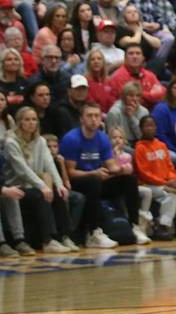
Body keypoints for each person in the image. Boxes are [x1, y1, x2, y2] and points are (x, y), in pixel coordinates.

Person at [60, 102, 149, 246]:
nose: (94, 119)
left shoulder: (102, 138)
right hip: (77, 182)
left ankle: (135, 226)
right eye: (89, 116)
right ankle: (92, 233)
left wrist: (121, 169)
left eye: (96, 116)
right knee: (94, 181)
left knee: (129, 180)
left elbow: (111, 165)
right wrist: (93, 173)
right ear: (81, 119)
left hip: (97, 180)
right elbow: (70, 173)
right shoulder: (72, 139)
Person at [2, 107, 78, 252]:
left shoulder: (41, 141)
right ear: (19, 122)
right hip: (17, 185)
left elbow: (49, 163)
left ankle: (65, 236)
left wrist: (59, 184)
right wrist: (43, 186)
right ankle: (47, 240)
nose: (31, 123)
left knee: (59, 193)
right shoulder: (11, 142)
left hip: (36, 184)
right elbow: (22, 170)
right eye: (27, 119)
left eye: (34, 119)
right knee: (41, 194)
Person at [134, 116, 176, 241]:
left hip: (164, 183)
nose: (150, 128)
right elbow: (144, 173)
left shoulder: (161, 145)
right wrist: (164, 184)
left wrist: (173, 180)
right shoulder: (139, 148)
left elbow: (170, 167)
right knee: (169, 194)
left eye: (152, 125)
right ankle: (161, 226)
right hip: (147, 185)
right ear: (141, 129)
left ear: (156, 128)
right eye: (147, 126)